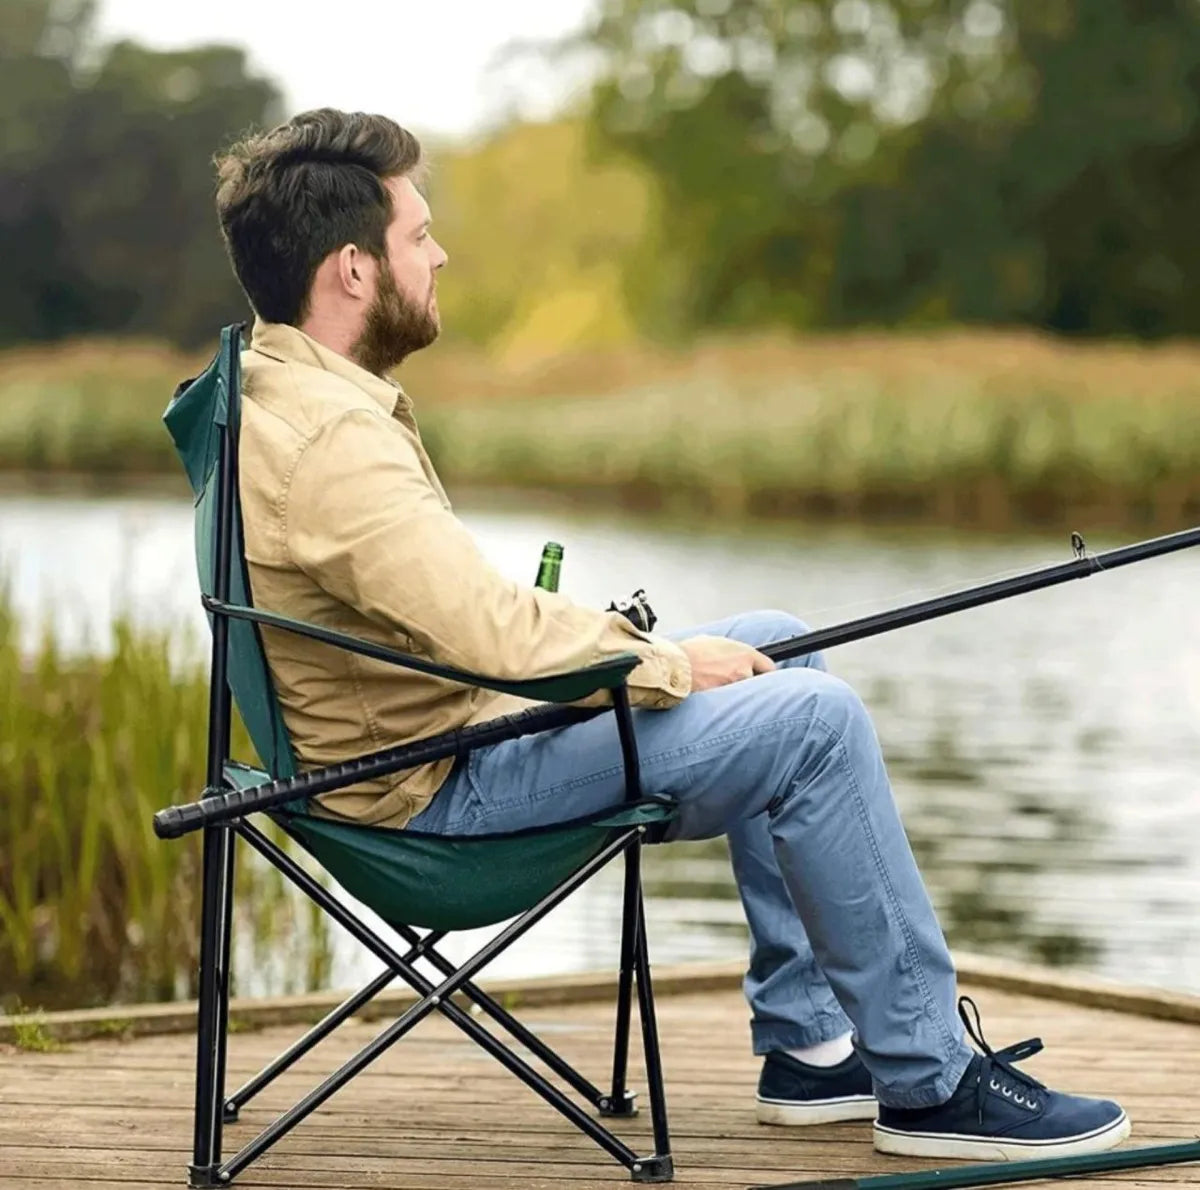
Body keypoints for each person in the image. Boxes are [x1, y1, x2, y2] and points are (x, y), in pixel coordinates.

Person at [214, 108, 1130, 1163]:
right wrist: (667, 664)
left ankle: (808, 1046)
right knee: (816, 720)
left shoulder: (278, 390)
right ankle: (931, 1081)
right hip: (435, 798)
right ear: (353, 269)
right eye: (418, 235)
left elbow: (460, 617)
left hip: (440, 742)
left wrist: (642, 656)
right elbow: (483, 628)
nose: (441, 253)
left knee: (781, 643)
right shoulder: (334, 442)